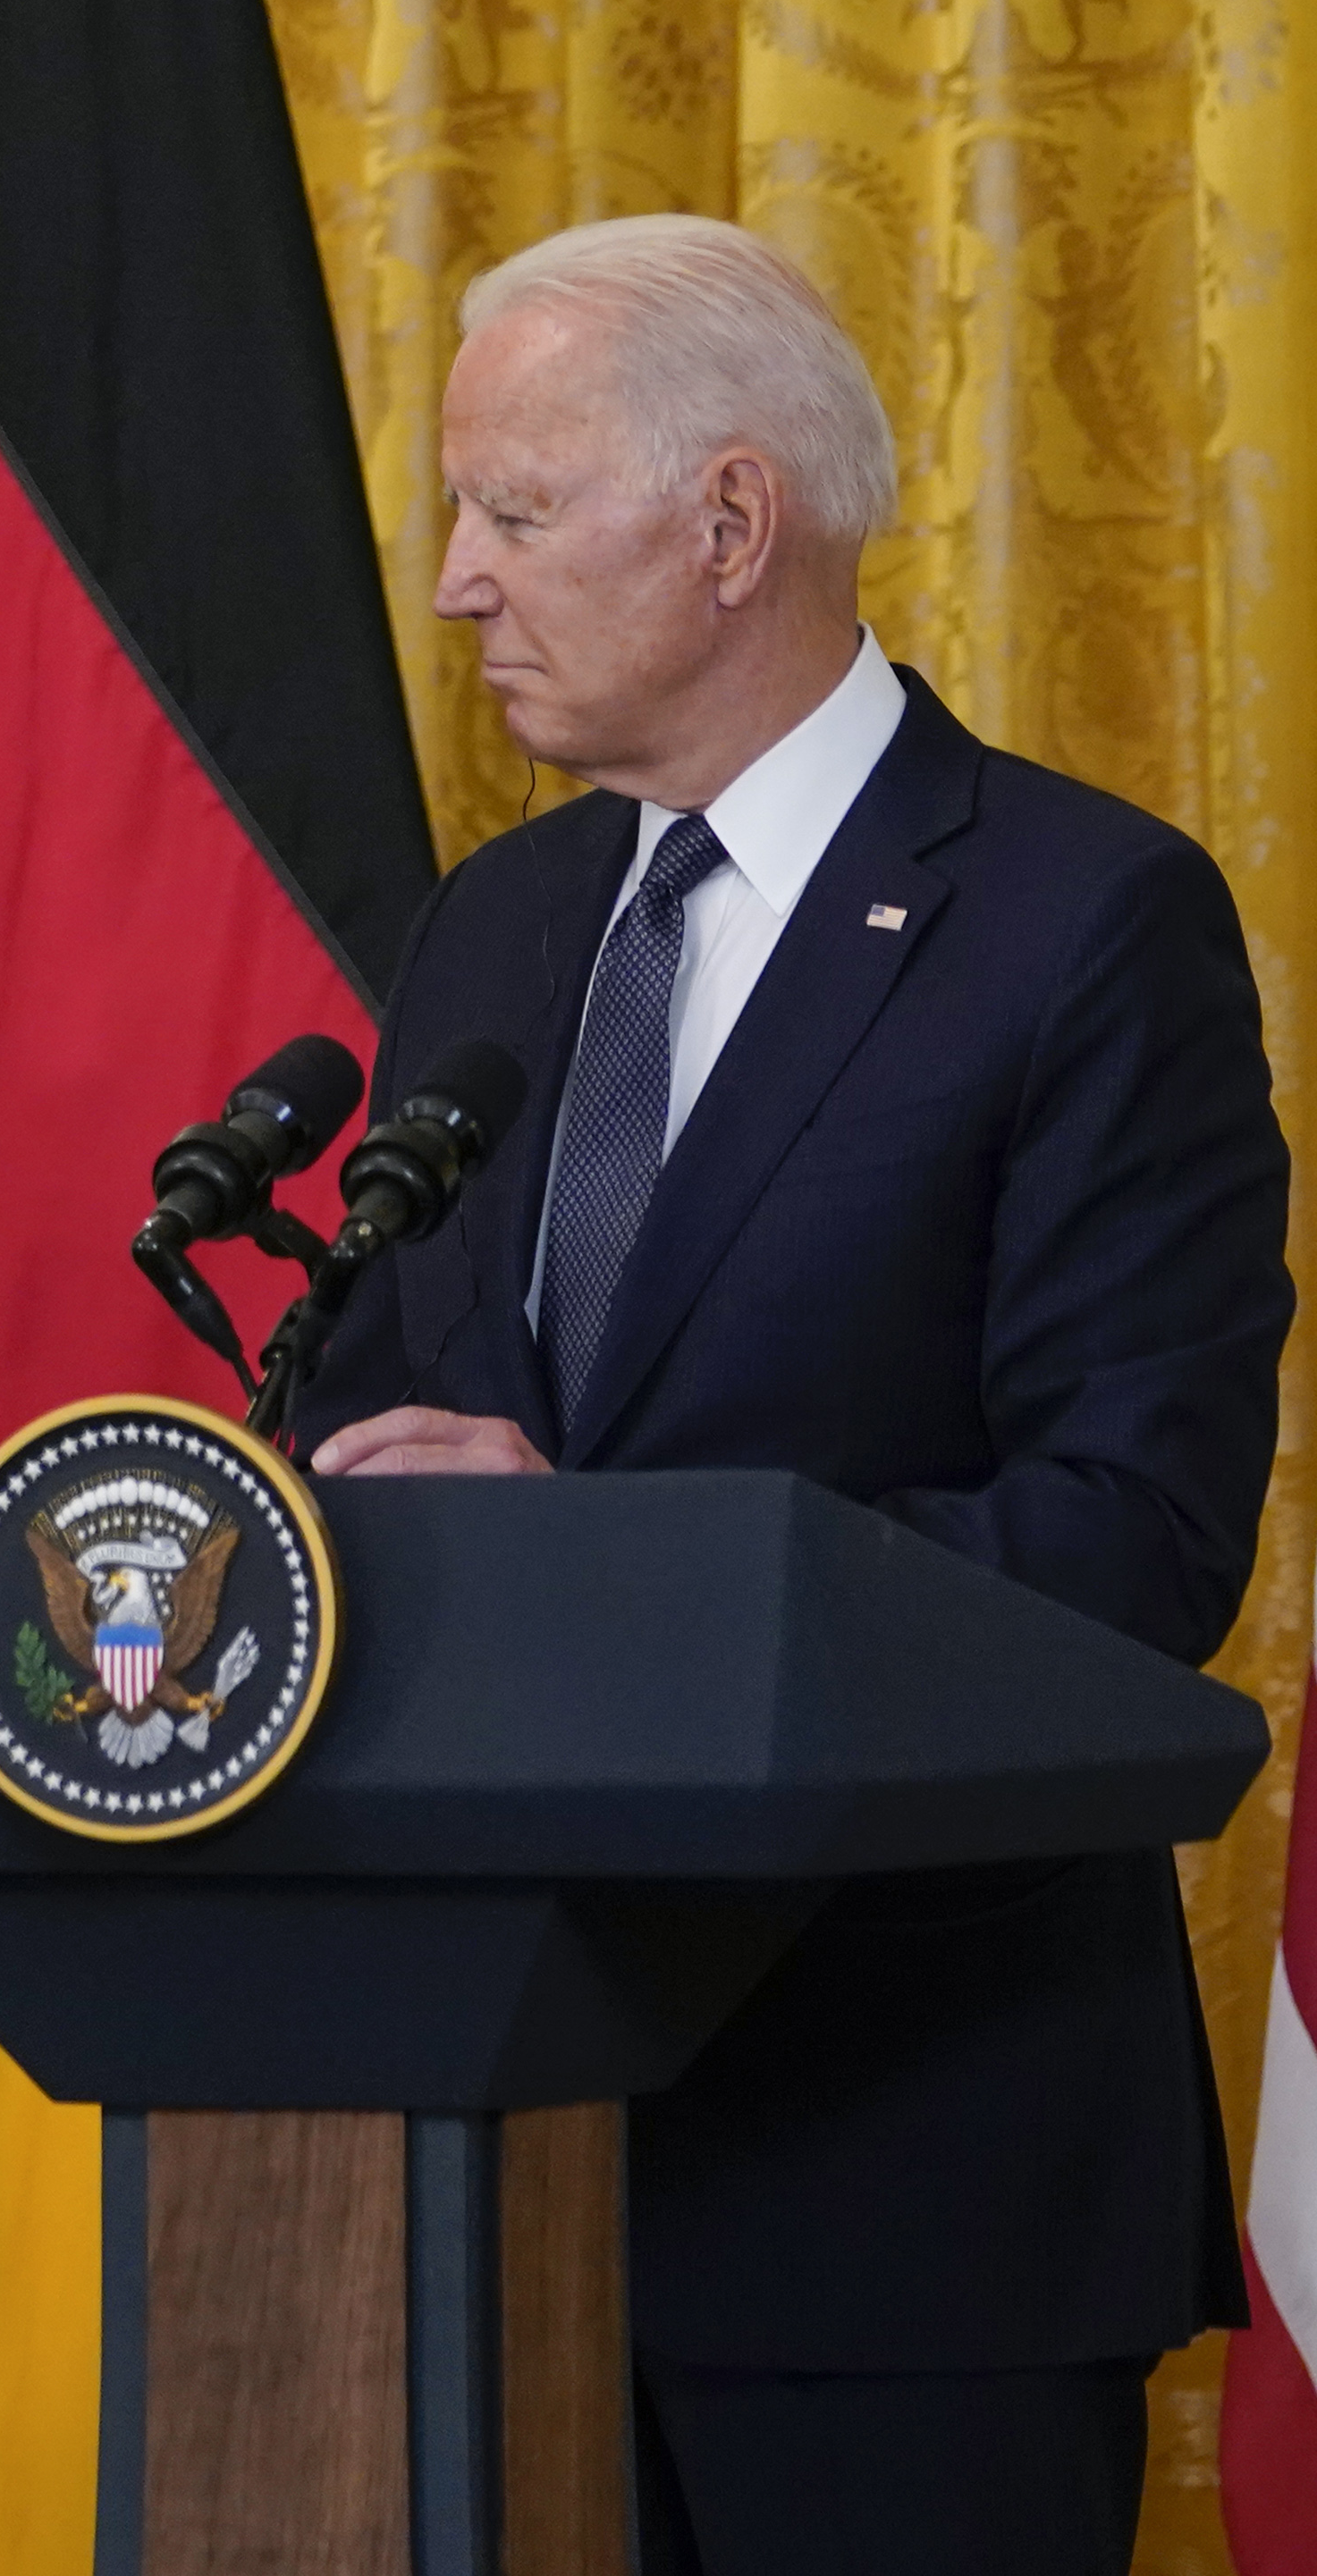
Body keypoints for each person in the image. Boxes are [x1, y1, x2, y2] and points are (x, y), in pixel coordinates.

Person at [300, 215, 1291, 2576]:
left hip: (901, 2198)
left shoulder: (1080, 920)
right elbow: (397, 1411)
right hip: (479, 2173)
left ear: (730, 522)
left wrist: (609, 1566)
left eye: (514, 511)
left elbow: (1129, 1547)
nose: (454, 582)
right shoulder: (495, 928)